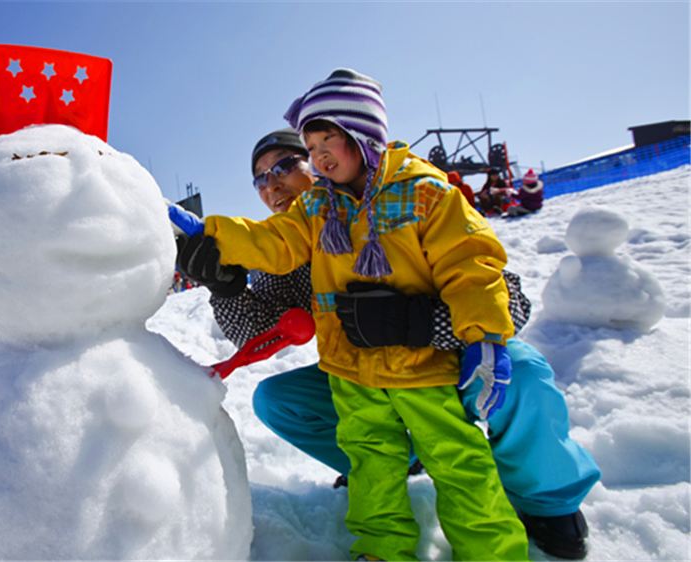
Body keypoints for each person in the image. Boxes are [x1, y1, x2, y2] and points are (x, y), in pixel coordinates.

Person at [184, 124, 599, 558]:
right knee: (278, 400)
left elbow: (508, 300)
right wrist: (225, 287)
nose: (273, 184)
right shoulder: (288, 249)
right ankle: (396, 467)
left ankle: (547, 502)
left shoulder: (399, 200)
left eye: (285, 166)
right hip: (365, 380)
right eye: (261, 178)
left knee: (524, 374)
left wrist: (417, 323)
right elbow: (256, 333)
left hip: (452, 362)